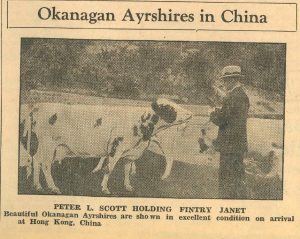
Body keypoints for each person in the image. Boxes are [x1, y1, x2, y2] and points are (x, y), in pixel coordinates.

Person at [210, 66, 250, 199]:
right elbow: (230, 116)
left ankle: (229, 203)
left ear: (233, 80)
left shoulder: (234, 96)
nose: (224, 83)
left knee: (228, 178)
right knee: (236, 176)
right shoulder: (240, 95)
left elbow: (223, 119)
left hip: (230, 145)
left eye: (226, 80)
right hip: (236, 144)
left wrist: (212, 113)